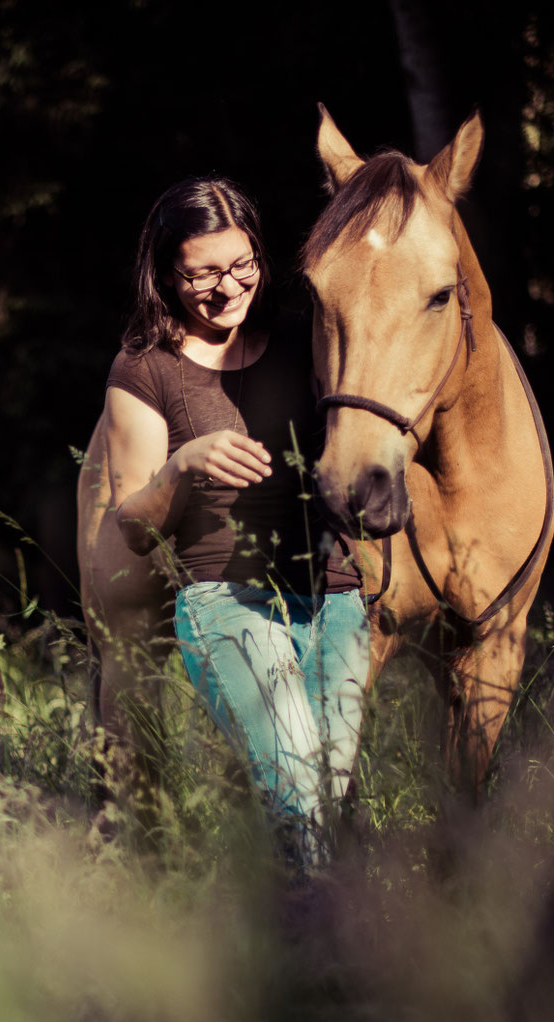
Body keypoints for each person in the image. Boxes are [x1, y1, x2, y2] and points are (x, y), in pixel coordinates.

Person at [103, 176, 369, 864]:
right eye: (203, 274)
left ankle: (298, 949)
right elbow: (133, 523)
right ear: (165, 274)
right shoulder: (145, 369)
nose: (227, 287)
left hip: (333, 598)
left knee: (326, 807)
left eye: (241, 265)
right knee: (299, 795)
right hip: (226, 599)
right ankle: (317, 955)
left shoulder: (300, 340)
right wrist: (183, 464)